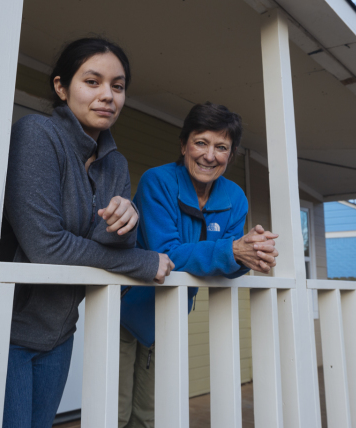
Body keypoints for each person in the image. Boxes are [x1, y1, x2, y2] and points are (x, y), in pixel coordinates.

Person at [0, 38, 174, 428]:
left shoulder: (115, 162)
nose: (107, 96)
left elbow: (103, 242)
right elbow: (47, 245)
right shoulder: (36, 135)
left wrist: (127, 220)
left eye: (117, 85)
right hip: (8, 332)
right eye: (92, 82)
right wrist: (142, 261)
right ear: (61, 87)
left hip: (59, 333)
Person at [118, 102, 279, 428]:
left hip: (169, 315)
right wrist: (232, 251)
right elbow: (167, 254)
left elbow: (231, 261)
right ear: (183, 145)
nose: (209, 155)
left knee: (150, 414)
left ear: (231, 156)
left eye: (221, 147)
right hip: (122, 309)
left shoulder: (235, 197)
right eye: (201, 142)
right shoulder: (157, 181)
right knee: (115, 412)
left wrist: (252, 253)